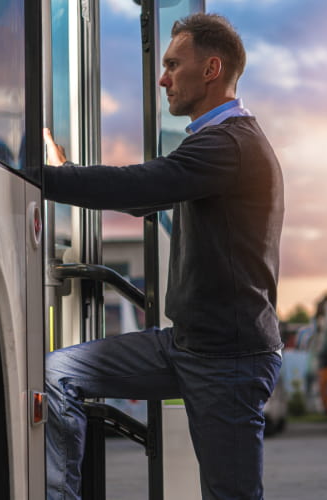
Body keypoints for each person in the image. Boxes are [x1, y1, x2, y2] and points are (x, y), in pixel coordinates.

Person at [43, 13, 284, 500]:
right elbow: (147, 196)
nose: (162, 77)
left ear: (212, 69)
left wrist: (47, 176)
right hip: (185, 346)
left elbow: (142, 182)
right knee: (59, 371)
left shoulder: (230, 144)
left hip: (229, 361)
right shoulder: (210, 144)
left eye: (174, 64)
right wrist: (67, 171)